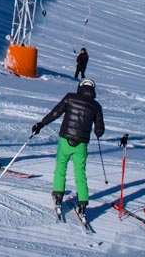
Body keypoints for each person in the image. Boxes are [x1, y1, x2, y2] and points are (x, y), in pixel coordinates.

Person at [31, 78, 105, 220]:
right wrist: (96, 128)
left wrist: (41, 124)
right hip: (81, 144)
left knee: (61, 167)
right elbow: (100, 132)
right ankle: (82, 204)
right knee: (80, 173)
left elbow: (56, 112)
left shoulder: (70, 97)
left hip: (65, 139)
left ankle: (58, 195)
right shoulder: (96, 106)